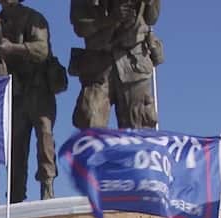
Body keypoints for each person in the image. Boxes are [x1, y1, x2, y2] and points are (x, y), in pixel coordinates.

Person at [0, 0, 59, 202]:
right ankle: (15, 195)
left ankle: (47, 184)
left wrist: (13, 48)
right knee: (15, 146)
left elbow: (42, 50)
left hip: (39, 88)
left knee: (44, 134)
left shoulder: (34, 18)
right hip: (14, 94)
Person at [69, 0, 163, 129]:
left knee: (139, 124)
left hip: (134, 64)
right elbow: (80, 26)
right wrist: (110, 19)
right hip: (99, 66)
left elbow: (152, 18)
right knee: (90, 119)